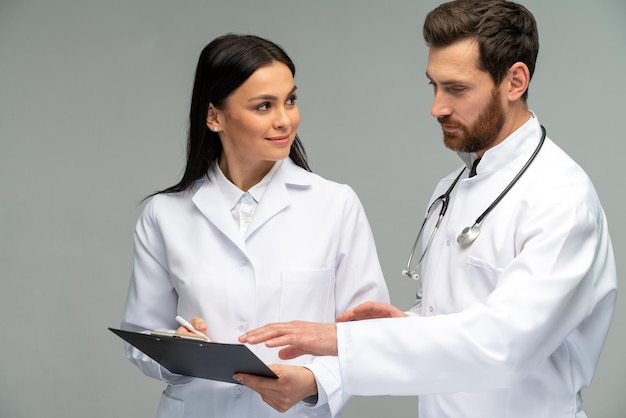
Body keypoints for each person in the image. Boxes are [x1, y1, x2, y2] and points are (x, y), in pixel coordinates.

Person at [236, 2, 618, 417]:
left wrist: (339, 341)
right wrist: (407, 324)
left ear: (515, 81)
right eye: (433, 86)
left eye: (456, 89)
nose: (436, 107)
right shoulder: (451, 188)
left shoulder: (560, 199)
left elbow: (502, 345)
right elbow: (460, 320)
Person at [120, 33, 389, 418]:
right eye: (264, 106)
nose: (284, 120)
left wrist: (312, 384)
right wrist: (175, 351)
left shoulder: (335, 204)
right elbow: (141, 337)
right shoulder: (165, 214)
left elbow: (368, 334)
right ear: (214, 117)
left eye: (290, 100)